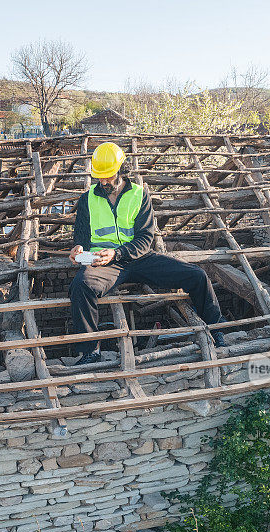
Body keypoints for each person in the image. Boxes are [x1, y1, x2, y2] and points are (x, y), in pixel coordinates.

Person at [69, 142, 226, 365]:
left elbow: (145, 239)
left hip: (139, 258)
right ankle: (90, 352)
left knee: (197, 276)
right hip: (104, 264)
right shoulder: (87, 200)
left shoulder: (139, 195)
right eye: (99, 176)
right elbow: (82, 237)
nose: (103, 181)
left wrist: (117, 253)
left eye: (108, 175)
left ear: (120, 170)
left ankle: (216, 328)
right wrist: (78, 250)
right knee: (81, 286)